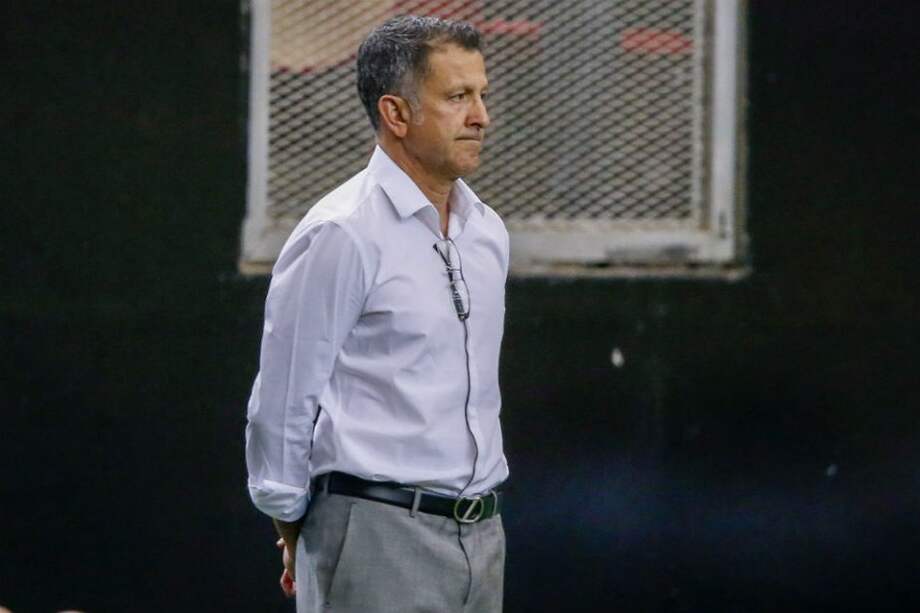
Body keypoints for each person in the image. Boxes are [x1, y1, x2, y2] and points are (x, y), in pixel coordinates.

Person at [245, 15, 510, 612]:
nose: (481, 117)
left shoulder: (487, 232)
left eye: (482, 95)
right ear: (396, 114)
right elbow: (283, 401)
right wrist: (294, 529)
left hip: (484, 535)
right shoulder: (343, 233)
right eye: (457, 97)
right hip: (374, 536)